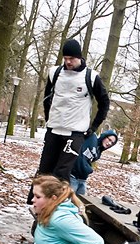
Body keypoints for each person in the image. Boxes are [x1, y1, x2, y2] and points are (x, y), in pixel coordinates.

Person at [26, 39, 110, 204]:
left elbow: (104, 103)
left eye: (72, 58)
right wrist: (49, 118)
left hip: (75, 133)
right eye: (65, 58)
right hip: (54, 130)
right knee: (44, 170)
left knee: (62, 173)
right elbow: (47, 98)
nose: (68, 62)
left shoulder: (91, 77)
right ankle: (37, 204)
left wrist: (93, 127)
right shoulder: (54, 73)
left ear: (80, 57)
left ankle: (57, 208)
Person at [70, 129, 118, 195]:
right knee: (68, 197)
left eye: (112, 143)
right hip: (72, 175)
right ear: (104, 136)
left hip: (82, 179)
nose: (109, 143)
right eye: (109, 140)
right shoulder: (92, 138)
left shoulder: (98, 153)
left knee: (82, 199)